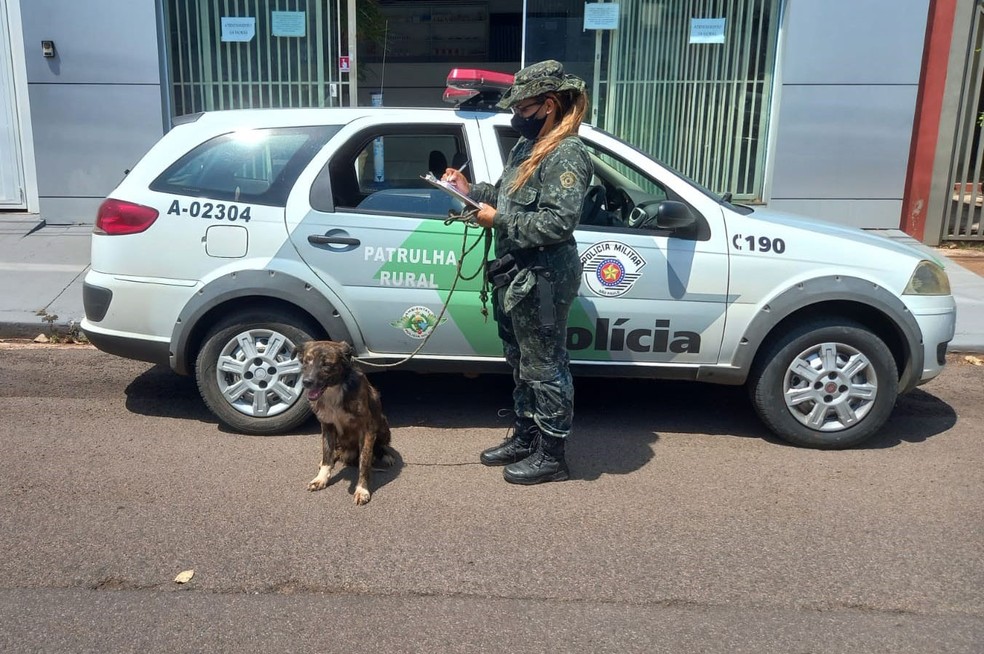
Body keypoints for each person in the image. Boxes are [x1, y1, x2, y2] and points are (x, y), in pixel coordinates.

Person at [441, 60, 592, 485]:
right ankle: (527, 435)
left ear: (548, 104)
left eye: (522, 109)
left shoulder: (567, 153)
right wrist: (471, 193)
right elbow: (509, 198)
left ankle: (553, 454)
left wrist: (498, 221)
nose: (516, 117)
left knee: (545, 366)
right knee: (521, 360)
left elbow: (558, 223)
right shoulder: (527, 148)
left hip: (543, 277)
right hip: (514, 273)